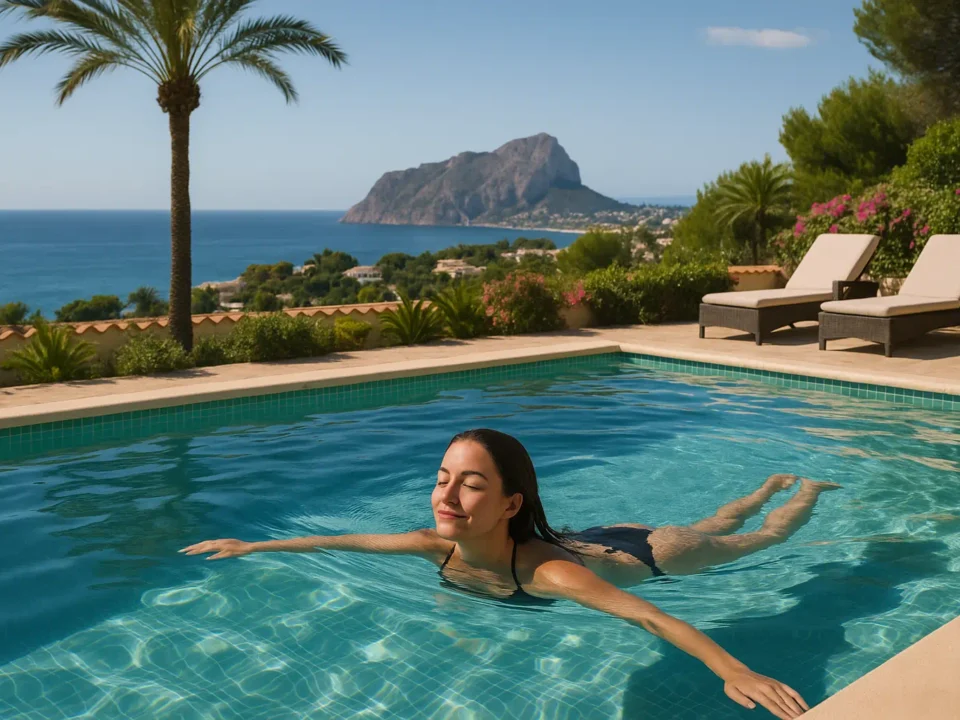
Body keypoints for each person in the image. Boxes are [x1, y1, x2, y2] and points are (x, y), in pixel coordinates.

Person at [183, 429, 838, 719]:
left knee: (748, 536)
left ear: (510, 504)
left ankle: (800, 491)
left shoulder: (548, 575)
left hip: (653, 555)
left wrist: (734, 670)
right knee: (720, 515)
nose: (446, 495)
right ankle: (765, 484)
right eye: (442, 479)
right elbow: (346, 540)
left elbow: (647, 613)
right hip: (586, 537)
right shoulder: (430, 544)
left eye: (469, 485)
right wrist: (253, 546)